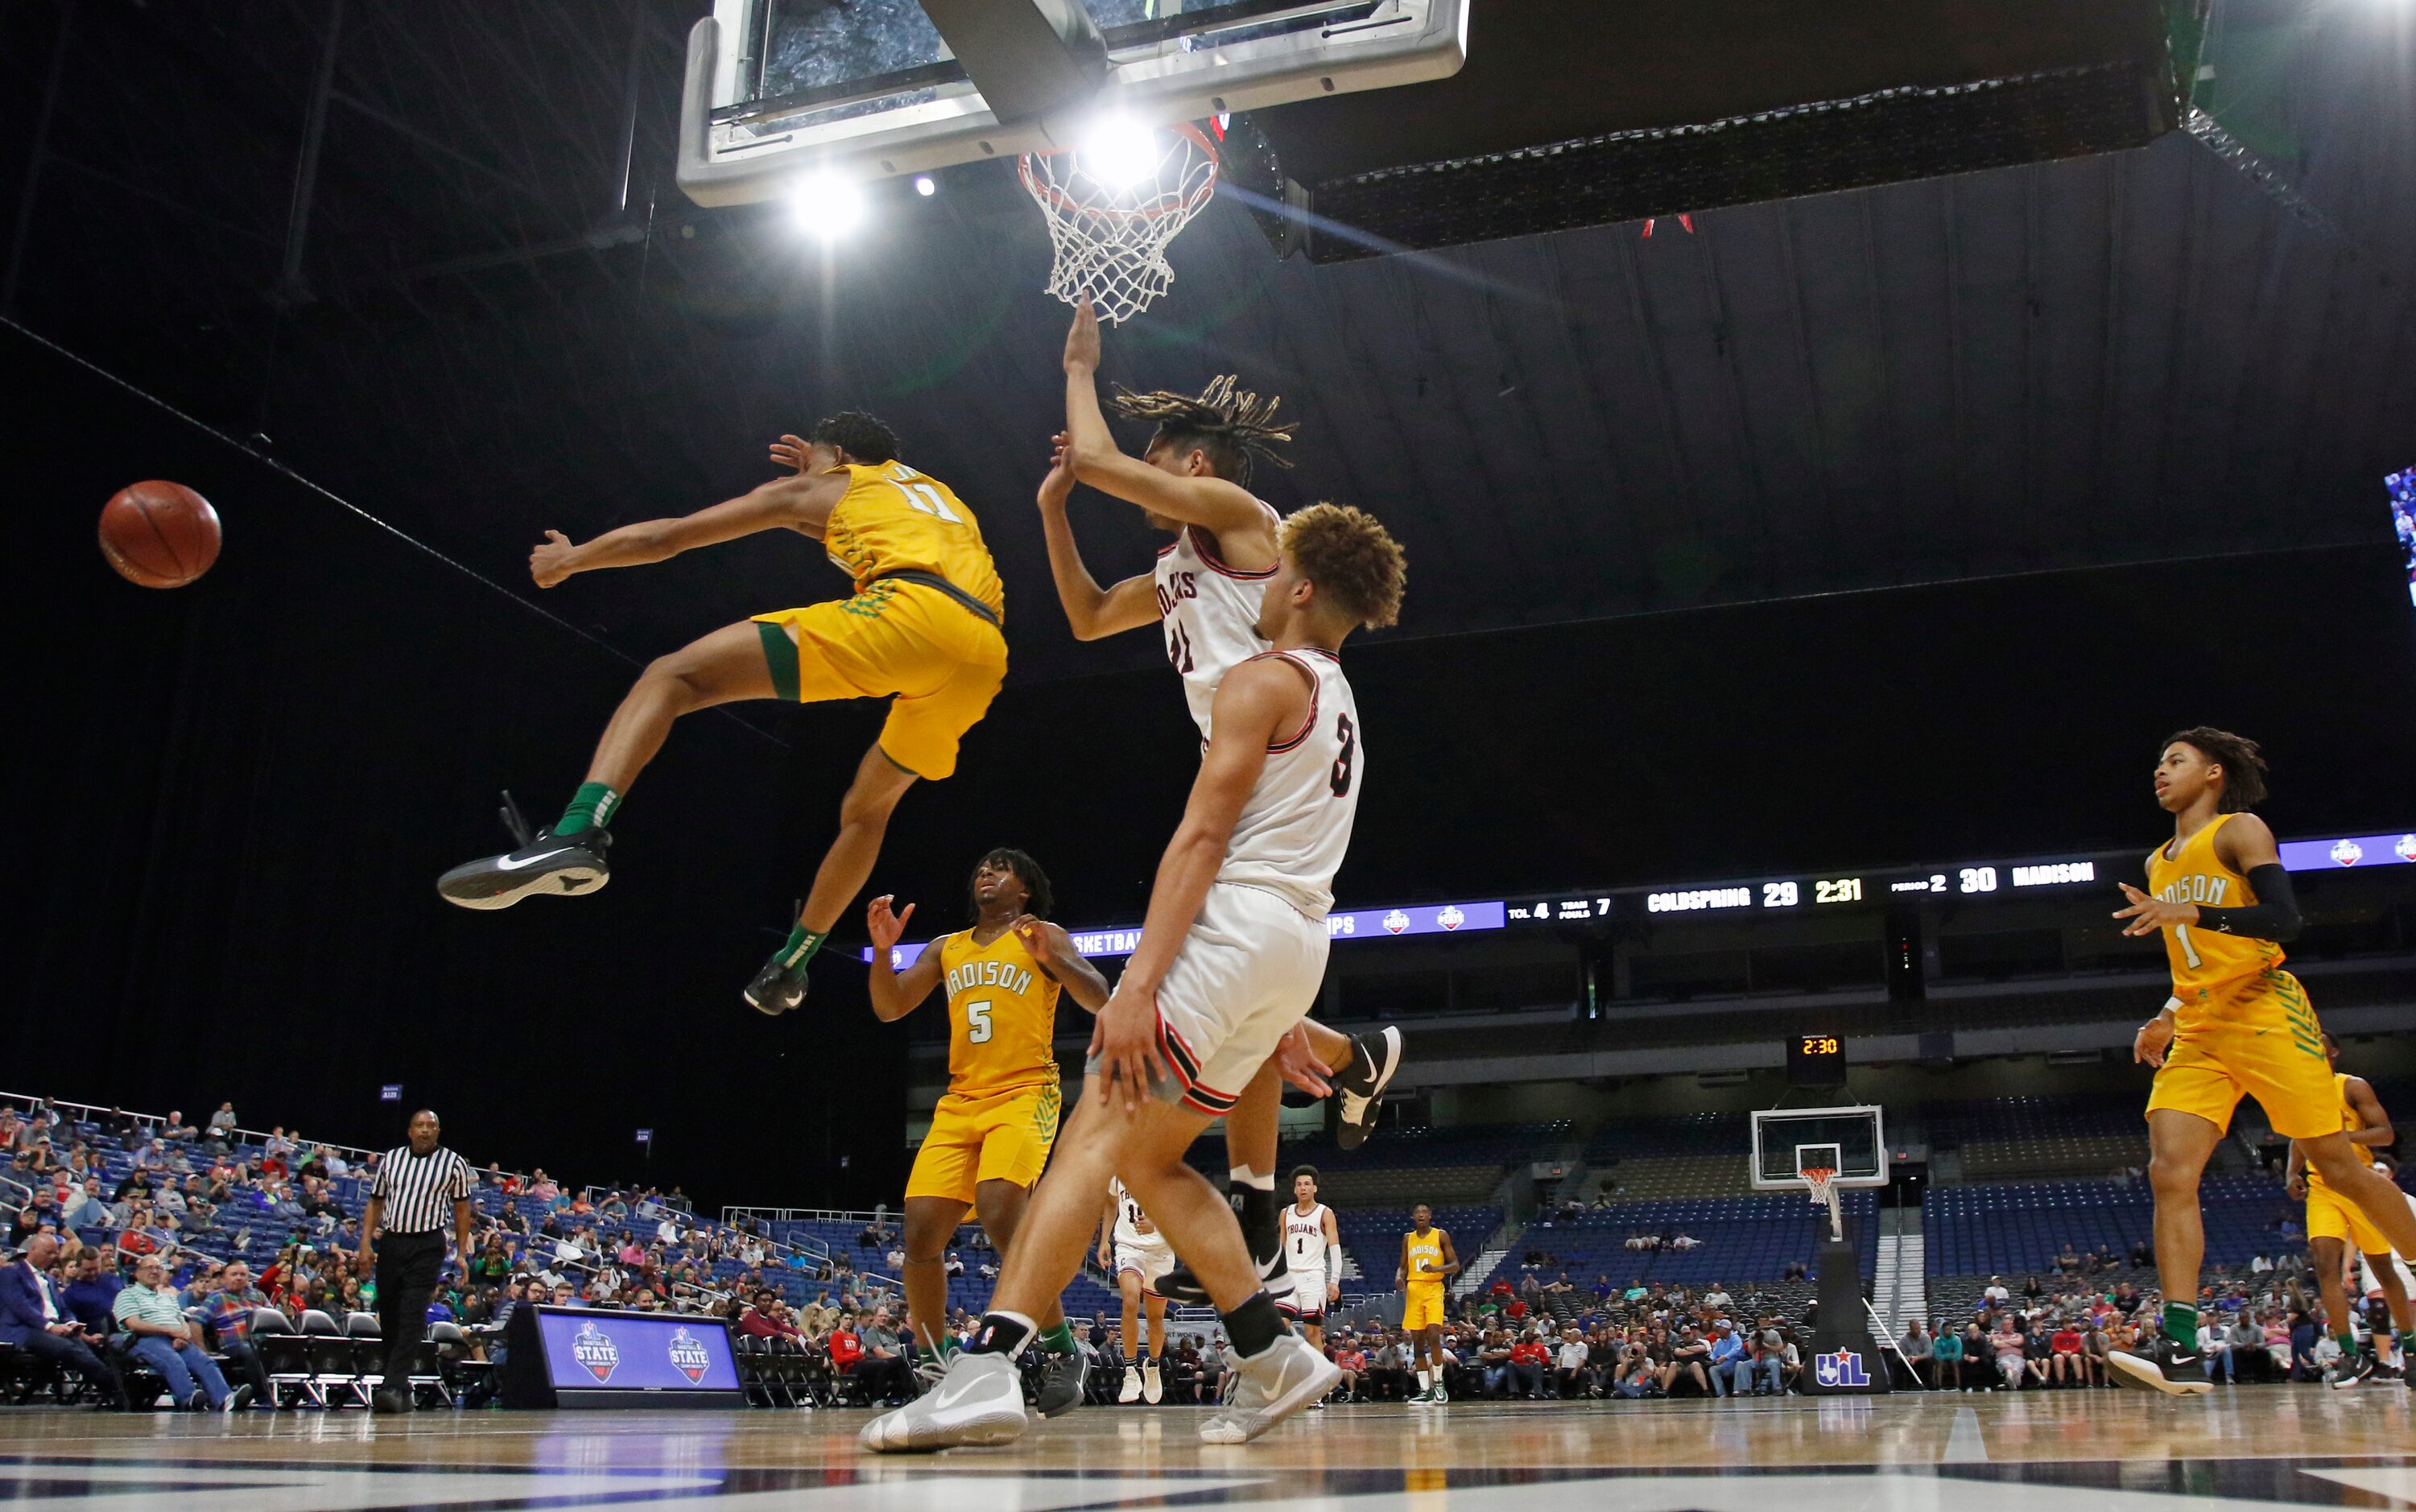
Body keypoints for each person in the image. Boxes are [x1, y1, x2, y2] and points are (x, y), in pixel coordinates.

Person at [862, 498, 1406, 1452]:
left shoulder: (1260, 679)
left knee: (1095, 1131)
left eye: (1278, 571)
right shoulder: (1337, 693)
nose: (1265, 581)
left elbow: (1200, 838)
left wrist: (1138, 988)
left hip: (1237, 927)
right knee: (1150, 1163)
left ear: (1304, 586)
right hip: (1295, 946)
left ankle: (986, 1368)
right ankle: (1272, 1354)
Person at [1033, 300, 1406, 1290]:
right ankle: (1347, 1069)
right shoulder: (1171, 569)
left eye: (1160, 462)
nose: (1146, 479)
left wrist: (1080, 371)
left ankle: (1253, 1199)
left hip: (1273, 751)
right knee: (1254, 1000)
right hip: (1241, 763)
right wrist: (1051, 511)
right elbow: (1077, 618)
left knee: (1224, 977)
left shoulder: (1249, 526)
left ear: (1191, 465)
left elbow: (1110, 464)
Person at [436, 412, 1012, 1018]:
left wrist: (573, 558)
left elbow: (670, 538)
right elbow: (853, 521)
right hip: (982, 652)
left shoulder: (820, 486)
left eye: (815, 460)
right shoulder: (935, 495)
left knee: (672, 676)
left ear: (836, 455)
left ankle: (579, 830)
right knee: (868, 810)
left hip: (909, 617)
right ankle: (791, 962)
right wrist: (816, 478)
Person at [2112, 729, 2416, 1394]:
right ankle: (2181, 1344)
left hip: (2264, 1010)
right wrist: (2165, 1013)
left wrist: (2195, 910)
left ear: (2213, 772)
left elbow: (2283, 921)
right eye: (2158, 762)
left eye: (2174, 761)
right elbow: (2192, 959)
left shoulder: (2238, 829)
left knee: (2336, 1162)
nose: (2159, 772)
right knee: (2169, 1171)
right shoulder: (2157, 860)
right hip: (2198, 1024)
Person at [865, 848, 1107, 1413]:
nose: (985, 874)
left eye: (999, 868)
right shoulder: (943, 947)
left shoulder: (1040, 933)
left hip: (1025, 1091)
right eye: (979, 869)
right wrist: (881, 953)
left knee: (1000, 1209)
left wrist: (1058, 959)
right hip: (960, 1099)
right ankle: (934, 1359)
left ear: (1024, 889)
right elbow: (890, 1007)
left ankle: (1061, 1349)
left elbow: (1099, 996)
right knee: (921, 1233)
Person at [2285, 1033, 2413, 1387]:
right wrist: (2291, 1171)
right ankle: (2351, 1356)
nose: (2311, 1044)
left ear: (2334, 1051)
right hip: (2322, 1188)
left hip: (2358, 1184)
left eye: (2319, 1041)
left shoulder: (2352, 1087)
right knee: (2324, 1265)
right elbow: (2299, 1135)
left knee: (2385, 1272)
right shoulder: (2298, 1090)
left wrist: (2345, 1139)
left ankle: (2412, 1351)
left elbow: (2385, 1134)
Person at [357, 1109, 476, 1413]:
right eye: (419, 1125)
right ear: (410, 1131)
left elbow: (462, 1210)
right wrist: (365, 1245)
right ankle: (404, 1387)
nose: (425, 1130)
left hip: (428, 1243)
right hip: (393, 1241)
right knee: (390, 1313)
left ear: (438, 1131)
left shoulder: (453, 1163)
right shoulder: (392, 1159)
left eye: (431, 1126)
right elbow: (375, 1201)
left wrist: (461, 1253)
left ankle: (392, 1386)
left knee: (412, 1313)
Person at [0, 1233, 129, 1408]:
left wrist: (71, 1323)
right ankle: (118, 1389)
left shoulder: (51, 1280)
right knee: (67, 1347)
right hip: (24, 1329)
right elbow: (21, 1307)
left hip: (55, 1328)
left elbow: (63, 1308)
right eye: (48, 1252)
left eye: (55, 1253)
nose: (53, 1257)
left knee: (83, 1348)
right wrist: (50, 1326)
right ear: (33, 1250)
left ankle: (116, 1392)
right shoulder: (10, 1273)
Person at [114, 1254, 249, 1411]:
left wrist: (184, 1335)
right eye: (149, 1268)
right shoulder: (127, 1295)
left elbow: (182, 1321)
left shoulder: (168, 1298)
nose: (154, 1271)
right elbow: (134, 1324)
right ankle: (189, 1398)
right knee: (173, 1360)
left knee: (204, 1360)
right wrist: (171, 1332)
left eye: (158, 1268)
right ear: (137, 1273)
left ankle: (226, 1400)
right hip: (145, 1340)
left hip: (175, 1338)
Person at [1100, 1175, 1174, 1404]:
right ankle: (1130, 1372)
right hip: (1128, 1247)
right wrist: (1104, 1240)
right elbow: (1111, 1202)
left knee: (1155, 1318)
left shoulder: (1168, 1171)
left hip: (1161, 1252)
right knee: (1130, 1301)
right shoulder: (1117, 1172)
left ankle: (1152, 1366)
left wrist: (1157, 1224)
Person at [1396, 1203, 1463, 1404]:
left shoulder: (1441, 1235)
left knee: (1434, 1334)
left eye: (1424, 1212)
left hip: (1434, 1288)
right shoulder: (1408, 1238)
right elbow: (1402, 1267)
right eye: (1417, 1212)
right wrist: (1399, 1277)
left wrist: (1435, 1268)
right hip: (1414, 1289)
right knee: (1417, 1340)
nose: (1421, 1215)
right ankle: (1425, 1390)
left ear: (1430, 1216)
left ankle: (1439, 1382)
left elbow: (1455, 1265)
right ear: (1413, 1217)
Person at [1279, 1167, 1342, 1360]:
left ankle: (1322, 1383)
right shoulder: (1286, 1213)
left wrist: (1334, 1280)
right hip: (1289, 1277)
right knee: (1279, 1328)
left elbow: (1335, 1248)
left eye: (1307, 1184)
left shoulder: (1325, 1213)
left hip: (1313, 1277)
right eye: (1299, 1185)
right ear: (1294, 1190)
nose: (1303, 1188)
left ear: (1315, 1188)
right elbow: (1280, 1247)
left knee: (1312, 1331)